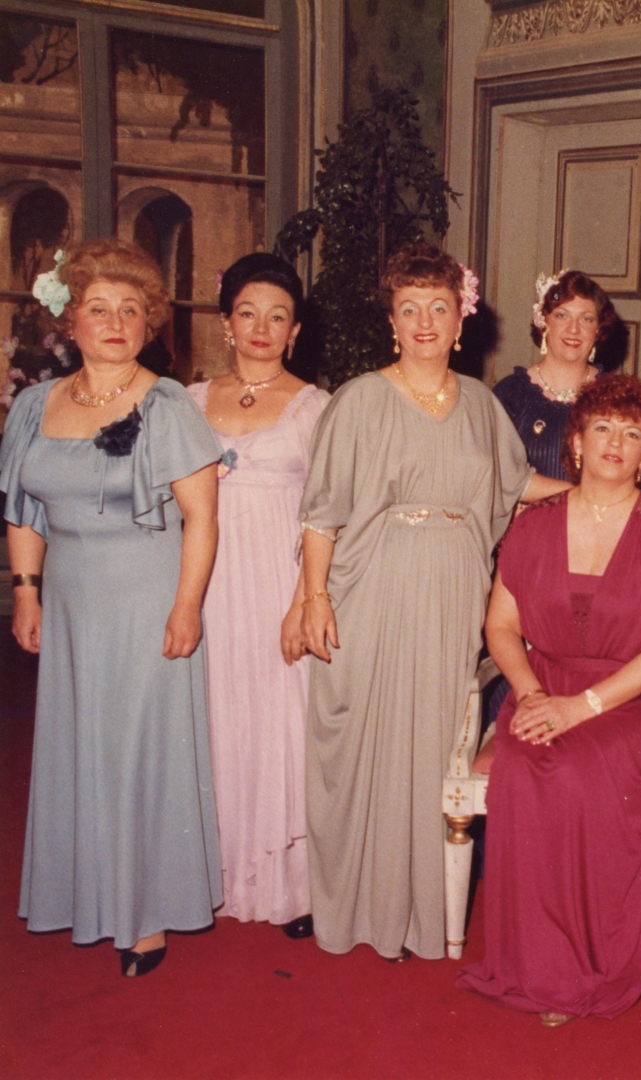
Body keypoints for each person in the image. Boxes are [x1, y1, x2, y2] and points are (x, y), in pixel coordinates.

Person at [297, 243, 570, 962]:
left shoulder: (480, 404)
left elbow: (517, 487)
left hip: (452, 589)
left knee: (430, 742)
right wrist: (315, 596)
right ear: (392, 322)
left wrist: (596, 493)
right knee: (363, 743)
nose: (424, 321)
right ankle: (354, 909)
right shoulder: (358, 399)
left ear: (460, 320)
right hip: (371, 585)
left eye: (438, 308)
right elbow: (320, 514)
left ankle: (418, 913)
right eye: (409, 308)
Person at [1, 239, 222, 977]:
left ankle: (144, 916)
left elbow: (202, 517)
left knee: (138, 752)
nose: (116, 322)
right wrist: (25, 591)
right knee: (80, 745)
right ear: (70, 322)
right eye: (99, 308)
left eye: (131, 309)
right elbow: (24, 509)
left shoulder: (167, 404)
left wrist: (186, 606)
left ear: (148, 321)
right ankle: (89, 890)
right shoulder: (34, 406)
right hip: (71, 602)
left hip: (146, 598)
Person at [457, 375, 641, 1025]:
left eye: (632, 433)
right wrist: (533, 693)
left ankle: (595, 964)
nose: (616, 442)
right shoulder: (532, 526)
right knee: (530, 763)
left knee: (580, 770)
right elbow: (500, 626)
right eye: (602, 428)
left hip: (634, 699)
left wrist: (581, 708)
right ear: (578, 443)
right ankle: (539, 966)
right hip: (544, 687)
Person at [188, 253, 330, 938]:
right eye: (248, 313)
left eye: (278, 317)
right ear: (227, 322)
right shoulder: (187, 401)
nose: (262, 328)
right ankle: (206, 875)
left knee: (281, 724)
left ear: (295, 330)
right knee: (214, 716)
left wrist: (304, 599)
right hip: (208, 582)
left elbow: (328, 514)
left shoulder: (317, 408)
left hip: (279, 582)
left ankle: (291, 888)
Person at [492, 269, 619, 479]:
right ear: (543, 323)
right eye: (562, 315)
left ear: (598, 330)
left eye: (586, 319)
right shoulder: (511, 394)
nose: (574, 329)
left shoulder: (616, 396)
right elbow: (497, 478)